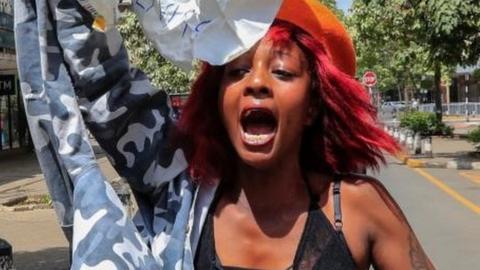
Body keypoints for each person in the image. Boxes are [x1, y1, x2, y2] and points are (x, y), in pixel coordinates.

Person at [14, 0, 434, 269]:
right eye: (235, 71)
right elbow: (103, 84)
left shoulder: (357, 208)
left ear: (312, 105)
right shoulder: (181, 198)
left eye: (283, 71)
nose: (256, 82)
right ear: (217, 99)